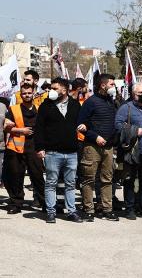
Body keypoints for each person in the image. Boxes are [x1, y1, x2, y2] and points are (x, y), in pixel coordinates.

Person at [34, 78, 82, 223]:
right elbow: (39, 128)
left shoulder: (75, 105)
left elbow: (82, 122)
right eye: (50, 88)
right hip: (52, 152)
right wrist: (40, 148)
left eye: (55, 88)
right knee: (51, 183)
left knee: (70, 183)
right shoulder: (45, 105)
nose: (51, 91)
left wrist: (84, 126)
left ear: (64, 90)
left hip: (71, 152)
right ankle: (50, 212)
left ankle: (71, 211)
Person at [77, 73, 118, 222]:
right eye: (112, 84)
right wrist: (95, 137)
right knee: (89, 179)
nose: (114, 87)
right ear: (103, 85)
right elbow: (81, 125)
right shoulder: (91, 102)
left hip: (108, 147)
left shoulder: (112, 102)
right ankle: (88, 209)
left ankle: (107, 209)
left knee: (107, 179)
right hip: (92, 147)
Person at [115, 83, 142, 219]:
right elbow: (118, 125)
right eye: (140, 93)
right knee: (130, 180)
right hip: (132, 151)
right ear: (134, 94)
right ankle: (130, 208)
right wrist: (133, 130)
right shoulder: (125, 108)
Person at [3, 83, 45, 215]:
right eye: (24, 93)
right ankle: (16, 203)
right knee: (16, 176)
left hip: (34, 147)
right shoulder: (13, 109)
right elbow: (6, 127)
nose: (27, 95)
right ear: (20, 95)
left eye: (29, 93)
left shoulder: (40, 108)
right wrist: (21, 130)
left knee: (37, 175)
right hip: (16, 147)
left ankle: (44, 203)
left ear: (34, 93)